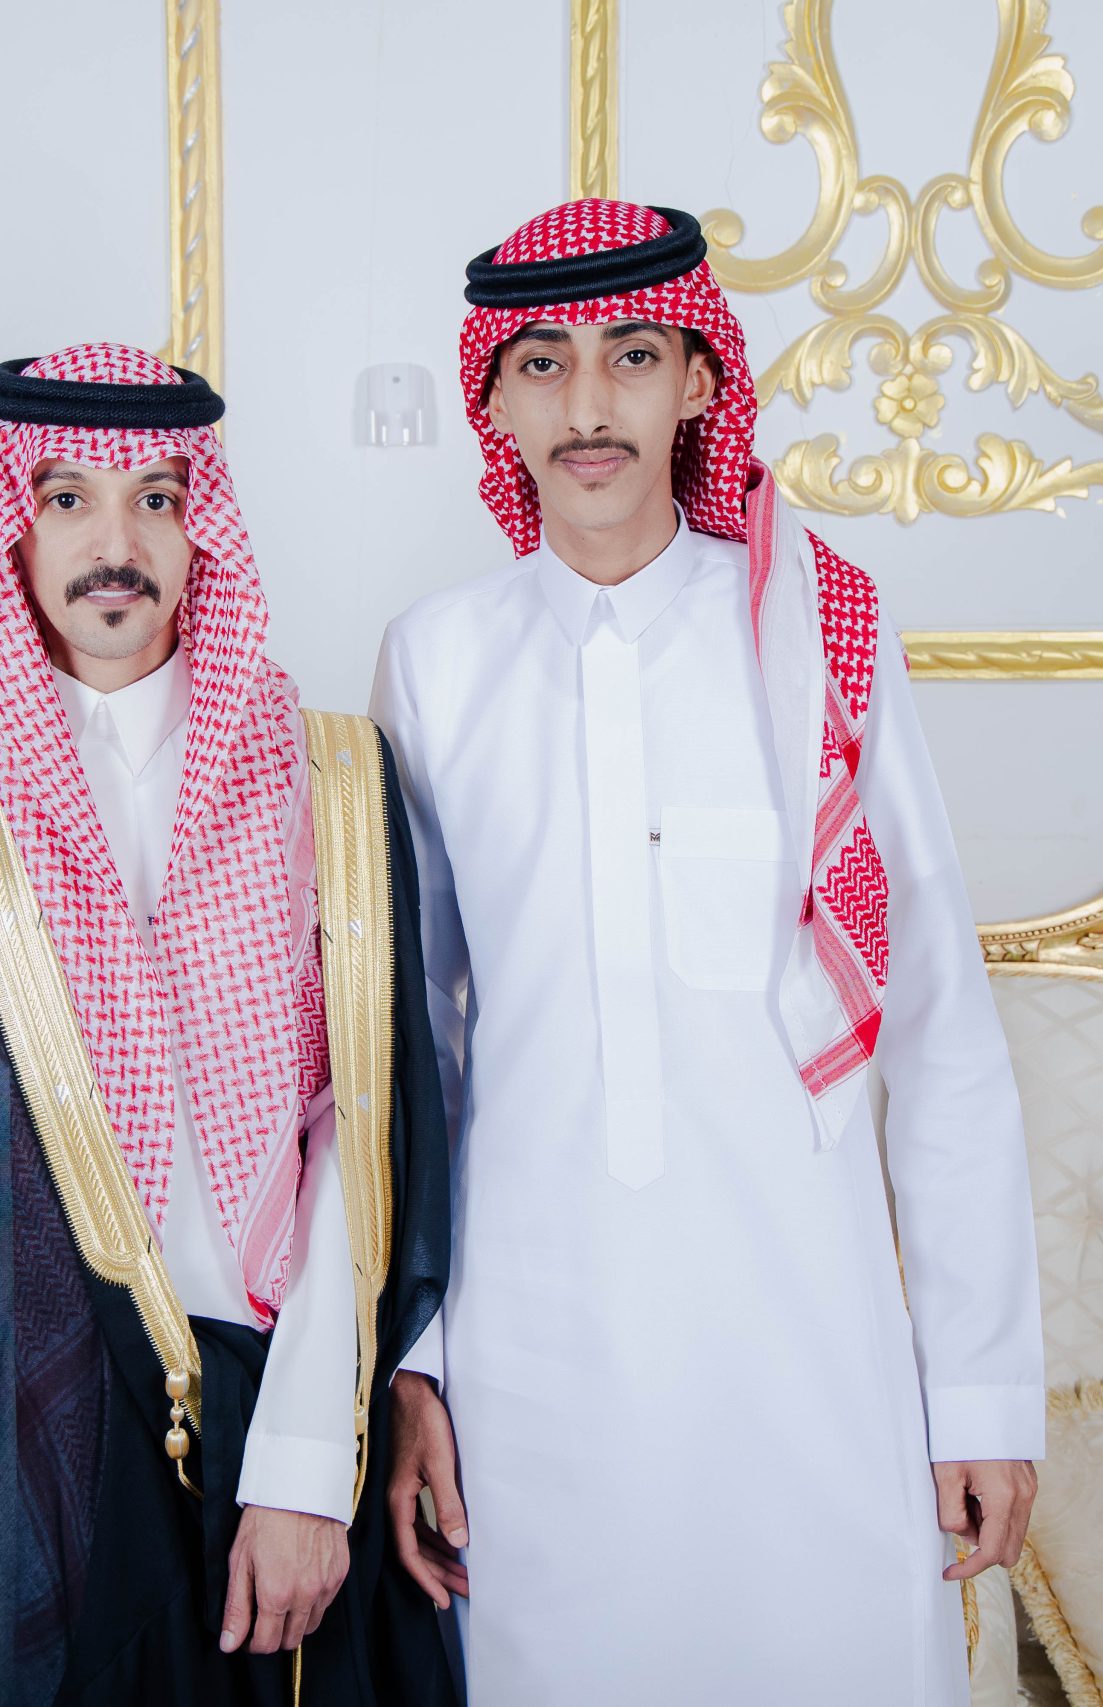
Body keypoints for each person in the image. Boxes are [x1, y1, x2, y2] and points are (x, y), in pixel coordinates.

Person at [370, 200, 1046, 1704]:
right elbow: (412, 1054)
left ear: (698, 381)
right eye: (542, 364)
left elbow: (937, 1024)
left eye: (632, 354)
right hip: (536, 1351)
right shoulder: (437, 660)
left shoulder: (815, 635)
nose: (587, 403)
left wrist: (982, 1390)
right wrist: (414, 1365)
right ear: (494, 401)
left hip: (804, 1339)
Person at [0, 342, 457, 1705]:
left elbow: (366, 1144)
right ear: (13, 530)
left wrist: (308, 1470)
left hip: (264, 1421)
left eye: (157, 499)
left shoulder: (332, 781)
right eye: (69, 500)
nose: (115, 546)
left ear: (205, 532)